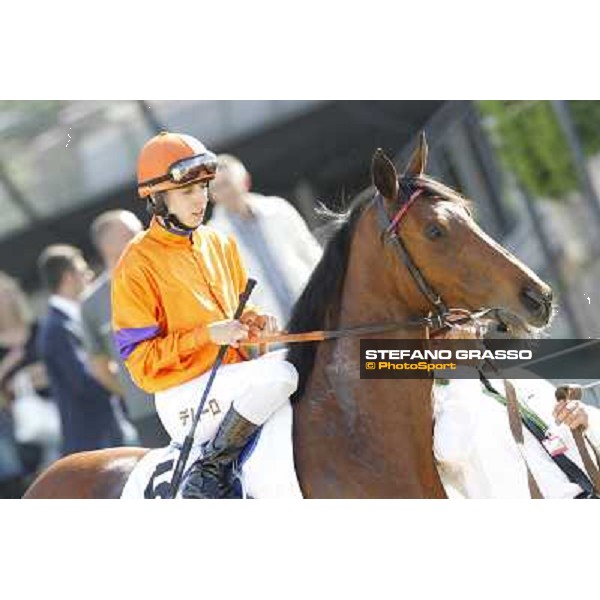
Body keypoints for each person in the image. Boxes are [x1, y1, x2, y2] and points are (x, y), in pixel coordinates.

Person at [112, 131, 298, 499]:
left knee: (309, 361)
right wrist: (206, 336)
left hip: (239, 376)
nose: (201, 199)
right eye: (187, 192)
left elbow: (238, 311)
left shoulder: (219, 242)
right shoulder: (135, 263)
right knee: (283, 372)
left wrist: (256, 322)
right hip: (184, 394)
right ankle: (209, 470)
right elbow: (139, 363)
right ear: (158, 198)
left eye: (203, 188)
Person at [433, 372, 600, 499]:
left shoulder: (519, 377)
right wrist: (463, 369)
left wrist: (586, 420)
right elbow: (450, 450)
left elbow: (586, 430)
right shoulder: (441, 400)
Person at [81, 210, 168, 447]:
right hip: (147, 413)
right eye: (131, 233)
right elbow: (100, 367)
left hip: (193, 392)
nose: (142, 235)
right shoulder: (92, 302)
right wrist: (132, 392)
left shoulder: (167, 272)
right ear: (107, 245)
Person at [209, 154, 322, 327]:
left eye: (227, 184)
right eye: (216, 188)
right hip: (269, 333)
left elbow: (311, 255)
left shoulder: (279, 209)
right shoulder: (211, 238)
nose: (224, 192)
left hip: (314, 313)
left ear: (245, 181)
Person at [37, 245, 124, 455]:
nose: (89, 275)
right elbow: (84, 382)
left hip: (104, 433)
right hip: (93, 442)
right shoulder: (57, 328)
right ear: (68, 278)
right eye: (83, 271)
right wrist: (124, 386)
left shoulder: (67, 322)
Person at [0, 271, 57, 495]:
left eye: (8, 292)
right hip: (18, 424)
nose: (6, 300)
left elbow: (60, 363)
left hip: (56, 407)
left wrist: (44, 372)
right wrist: (8, 371)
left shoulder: (39, 329)